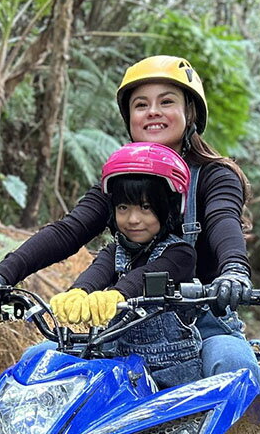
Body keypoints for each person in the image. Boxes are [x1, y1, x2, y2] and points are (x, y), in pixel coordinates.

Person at [0, 55, 260, 434]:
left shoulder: (213, 176)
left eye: (166, 101)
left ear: (190, 114)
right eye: (140, 104)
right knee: (36, 363)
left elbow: (223, 222)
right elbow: (68, 231)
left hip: (199, 321)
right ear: (128, 117)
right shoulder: (119, 181)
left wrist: (234, 272)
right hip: (115, 330)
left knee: (233, 365)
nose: (153, 112)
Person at [49, 141, 202, 389]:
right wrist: (78, 291)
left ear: (169, 209)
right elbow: (97, 271)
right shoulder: (115, 250)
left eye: (146, 207)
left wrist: (117, 294)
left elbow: (148, 275)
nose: (133, 219)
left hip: (173, 377)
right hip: (120, 367)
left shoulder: (181, 253)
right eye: (123, 207)